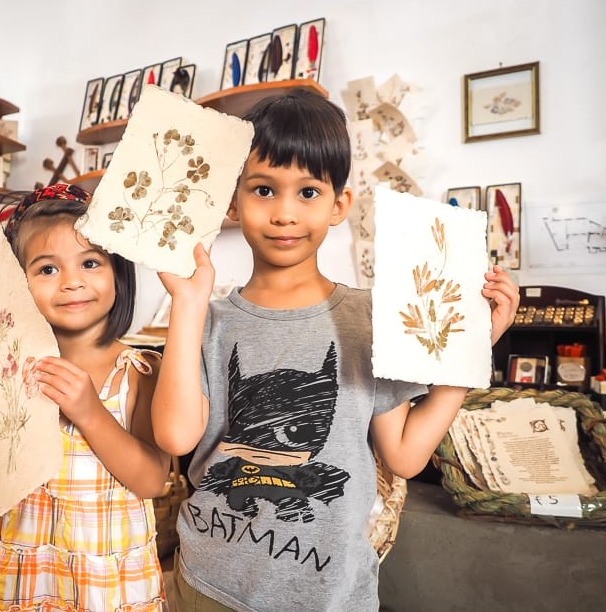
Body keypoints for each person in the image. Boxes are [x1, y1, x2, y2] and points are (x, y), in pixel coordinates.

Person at [152, 89, 520, 611]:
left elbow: (405, 455)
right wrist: (186, 306)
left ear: (339, 204)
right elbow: (173, 435)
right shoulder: (206, 320)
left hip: (329, 595)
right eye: (263, 189)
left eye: (307, 192)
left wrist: (470, 352)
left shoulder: (371, 318)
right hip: (211, 585)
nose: (284, 213)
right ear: (231, 201)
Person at [0, 183, 172, 611]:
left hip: (103, 584)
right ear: (17, 284)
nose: (72, 282)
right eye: (47, 269)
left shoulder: (139, 371)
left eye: (90, 262)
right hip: (24, 572)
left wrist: (90, 412)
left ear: (118, 271)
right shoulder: (11, 364)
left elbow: (152, 480)